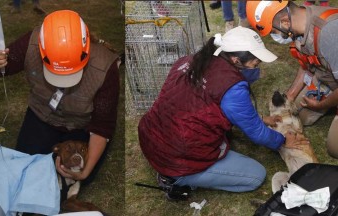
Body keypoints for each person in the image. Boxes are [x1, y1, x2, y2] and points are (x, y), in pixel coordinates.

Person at [138, 26, 308, 198]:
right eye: (255, 63)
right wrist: (283, 140)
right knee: (256, 176)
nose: (257, 68)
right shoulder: (233, 88)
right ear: (235, 60)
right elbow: (256, 133)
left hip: (151, 136)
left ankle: (176, 171)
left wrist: (261, 118)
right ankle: (176, 179)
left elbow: (208, 106)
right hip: (176, 157)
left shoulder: (189, 61)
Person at [0, 10, 120, 184]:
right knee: (25, 173)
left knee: (65, 181)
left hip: (83, 126)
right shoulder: (31, 42)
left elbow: (103, 125)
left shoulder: (105, 66)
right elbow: (2, 67)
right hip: (41, 116)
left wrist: (85, 172)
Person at [246, 1, 338, 158]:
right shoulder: (299, 25)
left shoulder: (329, 32)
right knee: (298, 114)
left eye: (274, 31)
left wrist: (321, 104)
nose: (274, 36)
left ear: (285, 22)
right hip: (329, 76)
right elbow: (307, 63)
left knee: (334, 149)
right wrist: (289, 97)